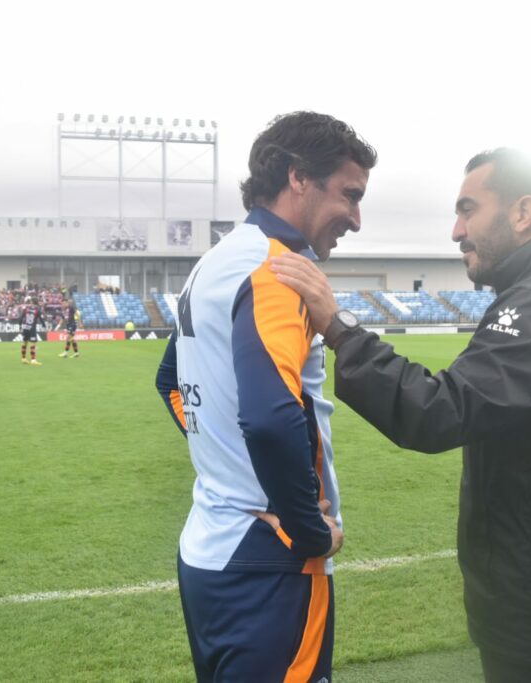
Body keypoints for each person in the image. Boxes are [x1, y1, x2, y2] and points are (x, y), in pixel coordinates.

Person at [272, 148, 531, 682]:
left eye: (468, 209)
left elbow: (437, 410)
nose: (455, 230)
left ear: (522, 212)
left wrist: (340, 329)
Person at [154, 111, 375, 682]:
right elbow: (273, 418)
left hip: (209, 550)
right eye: (349, 195)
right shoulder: (281, 269)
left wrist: (228, 461)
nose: (355, 218)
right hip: (269, 565)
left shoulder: (215, 262)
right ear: (298, 177)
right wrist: (307, 531)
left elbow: (170, 383)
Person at [19, 296, 43, 365]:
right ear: (37, 302)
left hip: (26, 327)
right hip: (32, 328)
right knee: (33, 344)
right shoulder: (37, 309)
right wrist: (43, 324)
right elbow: (41, 318)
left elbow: (21, 318)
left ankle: (23, 358)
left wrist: (20, 325)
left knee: (24, 342)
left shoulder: (26, 308)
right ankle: (33, 360)